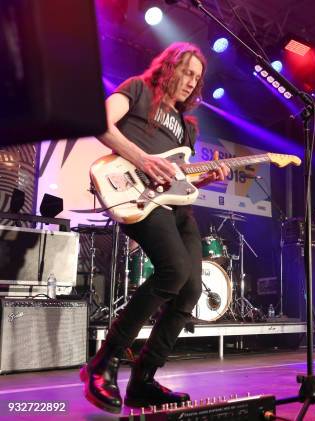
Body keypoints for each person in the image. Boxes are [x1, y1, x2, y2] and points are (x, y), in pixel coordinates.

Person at [80, 42, 230, 413]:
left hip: (177, 208)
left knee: (191, 288)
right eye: (187, 72)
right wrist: (143, 159)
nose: (191, 82)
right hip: (138, 194)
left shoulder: (188, 127)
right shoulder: (138, 89)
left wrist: (209, 177)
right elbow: (99, 123)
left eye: (197, 78)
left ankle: (143, 380)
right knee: (174, 271)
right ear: (170, 67)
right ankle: (104, 360)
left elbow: (181, 181)